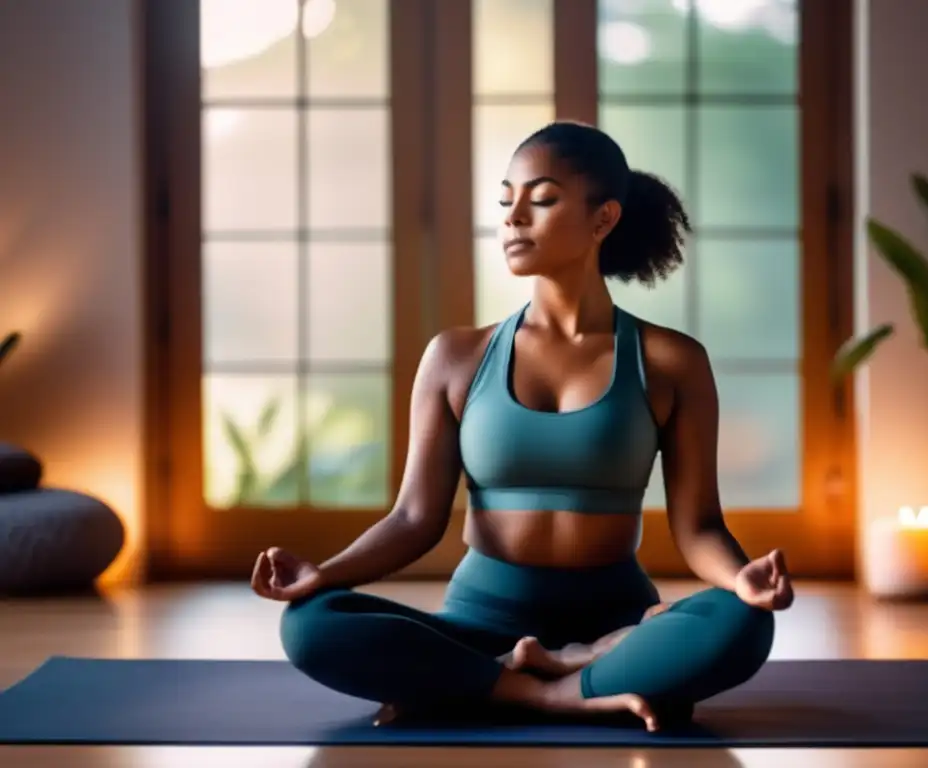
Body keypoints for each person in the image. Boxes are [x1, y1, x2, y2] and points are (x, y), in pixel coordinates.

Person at [251, 120, 794, 733]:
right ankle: (559, 689)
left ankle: (514, 679)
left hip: (617, 623)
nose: (513, 218)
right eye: (506, 201)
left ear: (603, 219)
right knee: (310, 624)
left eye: (541, 199)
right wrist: (325, 574)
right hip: (480, 627)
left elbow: (698, 528)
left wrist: (740, 578)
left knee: (744, 622)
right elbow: (413, 520)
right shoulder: (456, 356)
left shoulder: (673, 361)